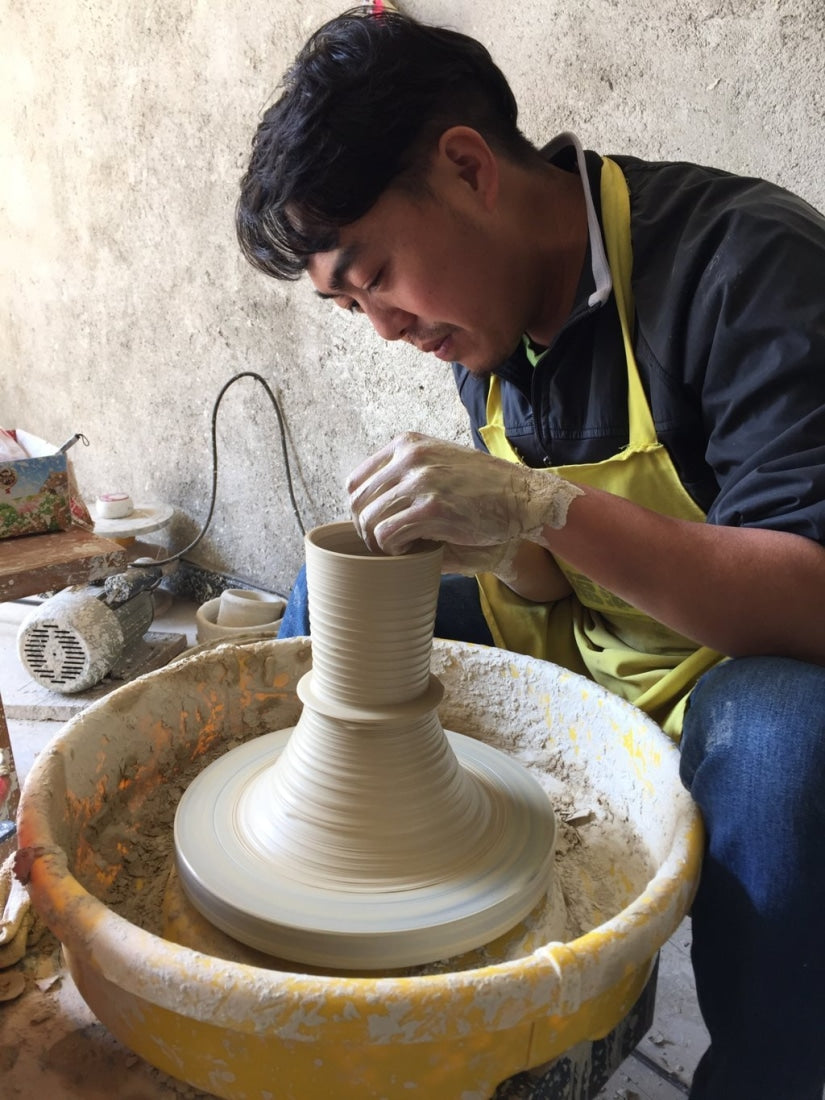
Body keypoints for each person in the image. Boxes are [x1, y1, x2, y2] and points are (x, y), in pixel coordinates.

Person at [235, 9, 825, 1098]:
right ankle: (369, 961)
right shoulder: (481, 316)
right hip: (595, 639)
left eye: (378, 276)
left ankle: (764, 1071)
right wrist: (495, 541)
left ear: (468, 167)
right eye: (348, 305)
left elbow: (810, 596)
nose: (386, 329)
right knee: (325, 610)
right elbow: (545, 581)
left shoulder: (747, 264)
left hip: (739, 671)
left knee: (793, 742)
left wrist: (540, 505)